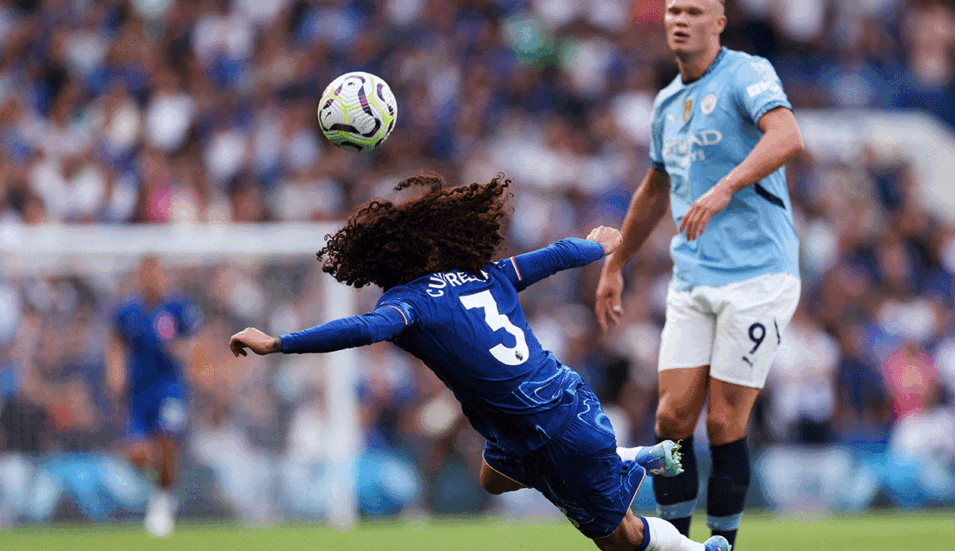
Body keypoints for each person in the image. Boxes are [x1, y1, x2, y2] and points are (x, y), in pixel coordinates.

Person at [229, 173, 730, 551]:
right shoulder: (485, 273)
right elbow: (552, 255)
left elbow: (360, 330)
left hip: (549, 425)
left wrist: (280, 343)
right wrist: (595, 246)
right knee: (492, 478)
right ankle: (625, 458)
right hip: (548, 409)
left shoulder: (407, 304)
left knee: (620, 538)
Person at [594, 0, 804, 548]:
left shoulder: (747, 72)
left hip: (759, 275)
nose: (680, 20)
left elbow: (787, 135)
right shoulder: (666, 102)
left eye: (694, 11)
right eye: (672, 10)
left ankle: (726, 544)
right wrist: (616, 264)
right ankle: (680, 545)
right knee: (670, 420)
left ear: (720, 22)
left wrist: (725, 187)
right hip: (693, 278)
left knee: (722, 422)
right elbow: (654, 190)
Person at [107, 256, 201, 536]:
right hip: (138, 393)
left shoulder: (178, 308)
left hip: (169, 389)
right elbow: (115, 343)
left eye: (158, 274)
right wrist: (114, 373)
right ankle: (159, 482)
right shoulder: (127, 312)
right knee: (136, 454)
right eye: (147, 274)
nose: (153, 279)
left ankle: (163, 502)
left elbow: (197, 343)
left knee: (168, 442)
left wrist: (180, 350)